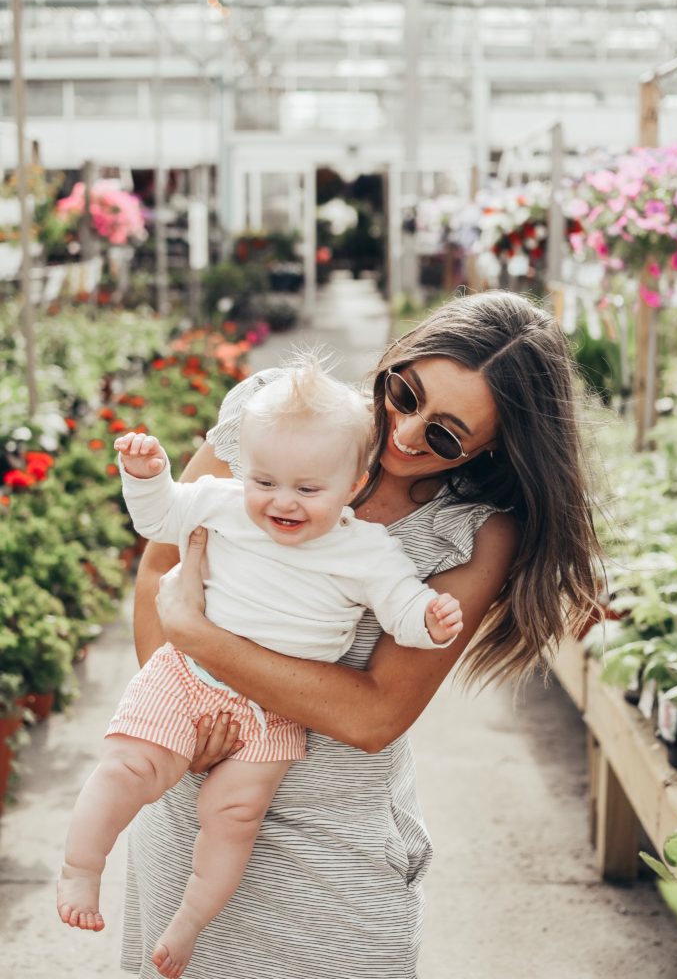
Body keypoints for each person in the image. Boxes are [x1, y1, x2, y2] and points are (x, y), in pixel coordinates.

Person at [121, 291, 601, 979]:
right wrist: (183, 725)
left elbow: (374, 713)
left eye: (445, 434)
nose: (406, 433)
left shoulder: (473, 532)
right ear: (395, 360)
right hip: (188, 806)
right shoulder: (282, 415)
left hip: (331, 845)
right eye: (404, 393)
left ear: (493, 445)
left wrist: (197, 638)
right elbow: (159, 568)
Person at [57, 359, 463, 979]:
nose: (282, 502)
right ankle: (81, 870)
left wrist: (428, 618)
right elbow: (161, 519)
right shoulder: (222, 502)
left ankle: (188, 924)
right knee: (126, 768)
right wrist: (147, 476)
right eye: (266, 481)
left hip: (275, 710)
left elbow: (400, 600)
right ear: (245, 469)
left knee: (235, 817)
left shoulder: (365, 549)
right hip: (185, 679)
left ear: (354, 485)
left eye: (307, 490)